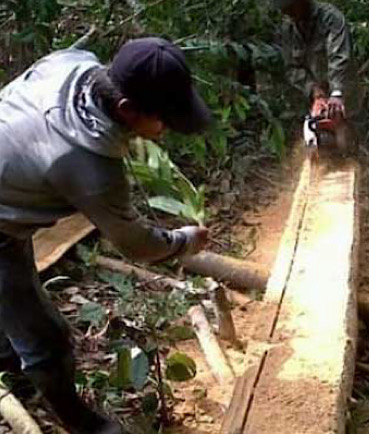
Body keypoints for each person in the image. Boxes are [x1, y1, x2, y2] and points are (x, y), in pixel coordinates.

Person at [0, 37, 212, 433]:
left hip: (8, 187)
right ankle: (86, 426)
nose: (165, 131)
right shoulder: (89, 168)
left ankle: (9, 360)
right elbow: (136, 244)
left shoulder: (73, 62)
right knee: (46, 340)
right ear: (127, 109)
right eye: (162, 120)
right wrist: (183, 239)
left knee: (12, 299)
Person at [274, 0, 358, 142]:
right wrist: (313, 89)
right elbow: (291, 68)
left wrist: (336, 93)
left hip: (345, 88)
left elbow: (340, 57)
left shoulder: (330, 18)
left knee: (348, 137)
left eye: (291, 8)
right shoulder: (288, 28)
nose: (289, 14)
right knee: (314, 137)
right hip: (313, 93)